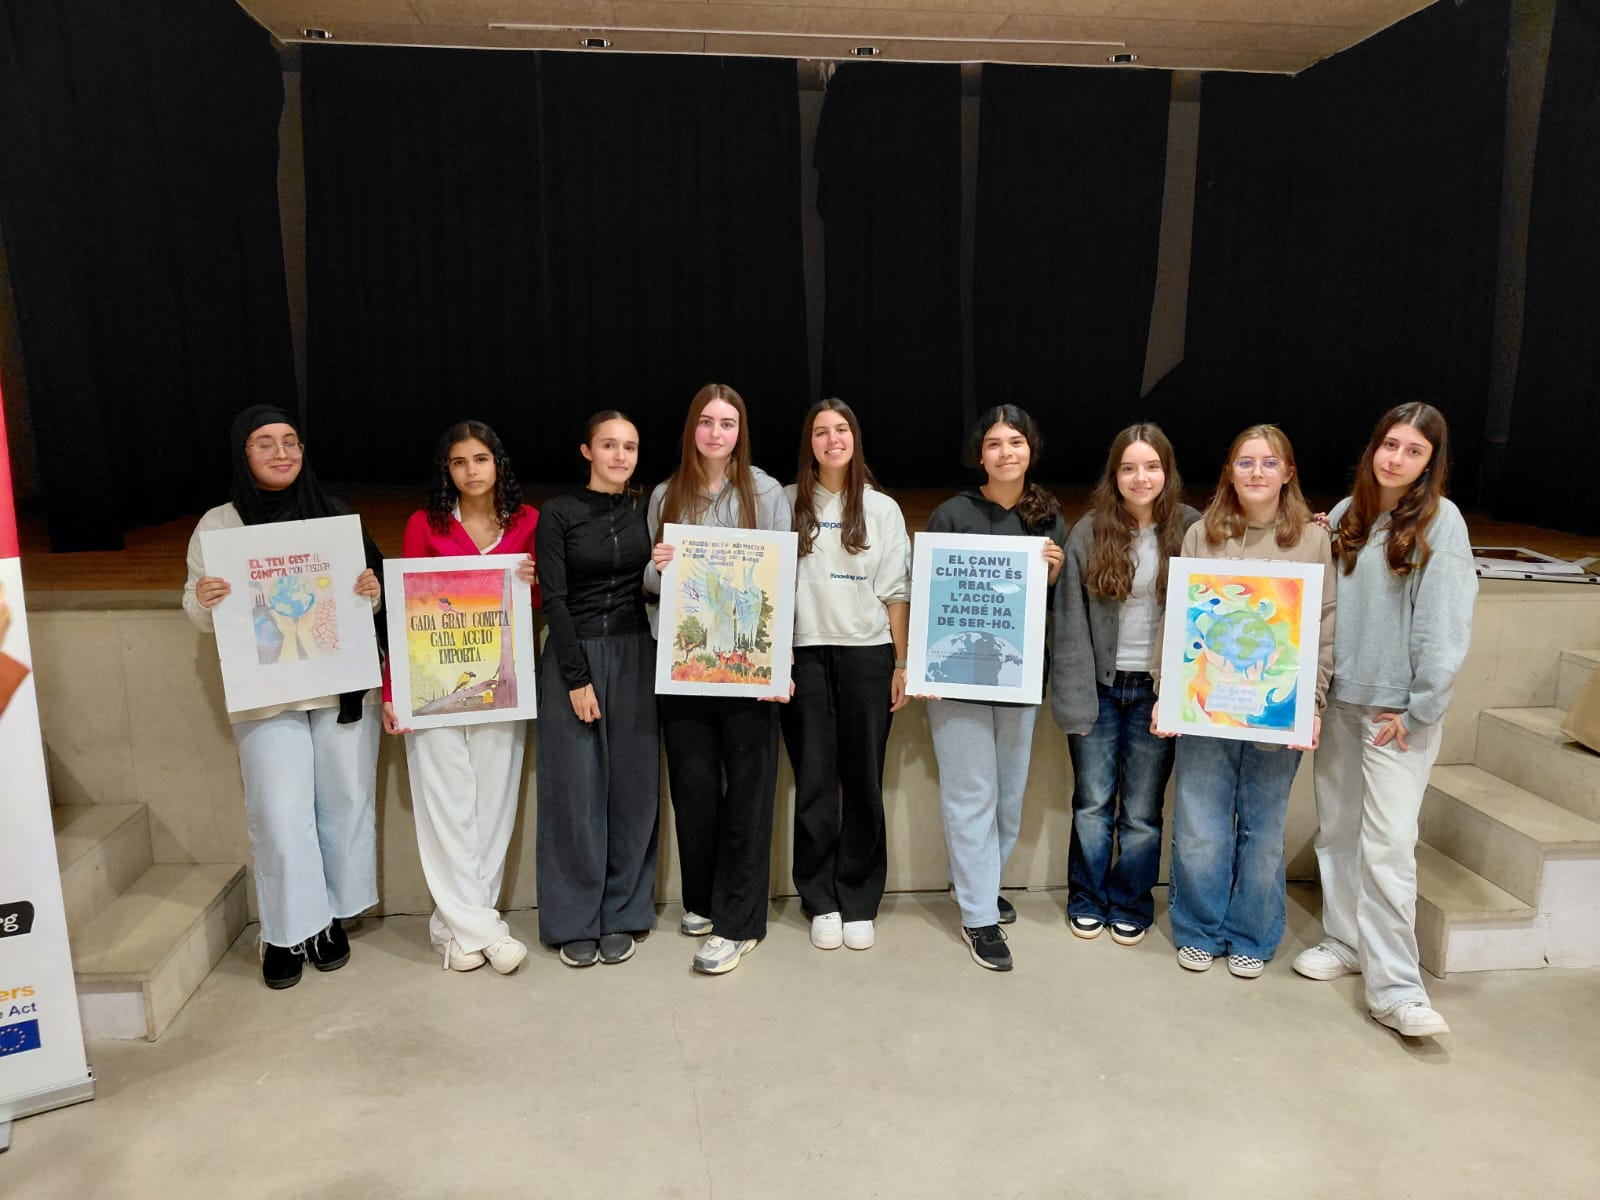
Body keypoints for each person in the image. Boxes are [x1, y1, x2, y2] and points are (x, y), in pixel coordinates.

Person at [183, 405, 383, 990]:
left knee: (344, 801)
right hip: (267, 692)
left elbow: (373, 601)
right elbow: (195, 608)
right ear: (242, 453)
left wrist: (369, 591)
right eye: (265, 442)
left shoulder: (335, 515)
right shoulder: (219, 525)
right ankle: (285, 931)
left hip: (340, 688)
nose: (281, 452)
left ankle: (327, 920)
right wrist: (204, 598)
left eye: (290, 441)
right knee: (279, 810)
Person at [1293, 403, 1475, 1039]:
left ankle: (1398, 990)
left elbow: (1443, 628)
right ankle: (1346, 941)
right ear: (1374, 447)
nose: (1396, 459)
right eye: (1390, 445)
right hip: (1340, 701)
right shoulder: (1348, 513)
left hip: (1396, 715)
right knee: (1338, 831)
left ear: (1431, 462)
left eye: (1413, 451)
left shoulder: (1442, 522)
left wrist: (1420, 708)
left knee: (1390, 847)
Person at [1166, 424, 1335, 979]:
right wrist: (1169, 694)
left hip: (1277, 711)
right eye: (1245, 462)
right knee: (1200, 825)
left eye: (1269, 462)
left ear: (1288, 472)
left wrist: (1312, 704)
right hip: (1206, 708)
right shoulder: (1202, 534)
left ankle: (1251, 935)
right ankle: (1199, 929)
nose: (1257, 472)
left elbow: (1325, 625)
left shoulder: (1312, 540)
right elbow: (1178, 616)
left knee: (1262, 831)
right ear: (1230, 472)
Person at [644, 383, 792, 976]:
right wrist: (659, 568)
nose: (715, 433)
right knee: (694, 790)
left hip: (747, 668)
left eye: (727, 423)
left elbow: (785, 580)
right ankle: (703, 900)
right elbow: (651, 583)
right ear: (692, 429)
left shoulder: (766, 492)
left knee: (749, 794)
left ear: (740, 432)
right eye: (706, 422)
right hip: (684, 665)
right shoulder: (665, 494)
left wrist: (780, 664)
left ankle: (739, 922)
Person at [381, 421, 538, 975]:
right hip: (433, 685)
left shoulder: (528, 522)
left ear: (498, 463)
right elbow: (404, 610)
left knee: (493, 806)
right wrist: (393, 690)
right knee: (445, 806)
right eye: (458, 462)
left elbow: (540, 601)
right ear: (446, 470)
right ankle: (485, 932)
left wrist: (534, 581)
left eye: (480, 459)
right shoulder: (424, 525)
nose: (471, 471)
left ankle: (457, 930)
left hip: (503, 685)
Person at [923, 405, 1066, 971]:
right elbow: (930, 594)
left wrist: (1052, 576)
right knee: (970, 793)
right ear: (978, 455)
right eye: (994, 443)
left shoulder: (1049, 519)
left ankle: (976, 884)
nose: (1006, 452)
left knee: (1008, 795)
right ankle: (979, 916)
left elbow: (1048, 607)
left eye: (1016, 442)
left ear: (1031, 449)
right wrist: (925, 666)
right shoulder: (951, 515)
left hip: (1017, 676)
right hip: (958, 677)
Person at [1050, 424, 1198, 946]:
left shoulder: (1192, 528)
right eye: (1129, 468)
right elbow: (1069, 621)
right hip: (1101, 689)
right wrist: (1074, 699)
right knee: (1092, 803)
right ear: (1115, 475)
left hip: (1157, 692)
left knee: (1141, 810)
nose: (1141, 478)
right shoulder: (1090, 531)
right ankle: (1087, 897)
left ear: (1167, 472)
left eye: (1151, 467)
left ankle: (1132, 901)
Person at [781, 399, 910, 952]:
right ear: (808, 443)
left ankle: (858, 899)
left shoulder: (882, 509)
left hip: (868, 656)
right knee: (813, 781)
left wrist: (901, 662)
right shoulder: (786, 502)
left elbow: (896, 593)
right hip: (803, 655)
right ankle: (820, 900)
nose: (832, 439)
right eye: (820, 432)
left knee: (862, 779)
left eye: (841, 430)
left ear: (854, 438)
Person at [534, 412, 660, 968]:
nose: (620, 455)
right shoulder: (558, 513)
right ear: (587, 451)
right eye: (609, 445)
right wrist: (576, 677)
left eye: (629, 447)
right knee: (575, 792)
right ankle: (573, 918)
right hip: (575, 655)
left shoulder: (644, 510)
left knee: (634, 790)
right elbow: (554, 600)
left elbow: (649, 588)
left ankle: (624, 911)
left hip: (635, 654)